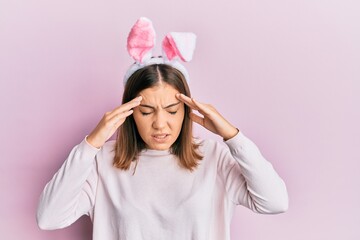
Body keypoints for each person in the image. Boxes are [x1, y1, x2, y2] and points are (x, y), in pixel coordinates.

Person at [36, 17, 288, 240]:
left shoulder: (214, 157)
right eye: (146, 112)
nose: (159, 123)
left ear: (186, 110)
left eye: (171, 110)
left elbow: (275, 202)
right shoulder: (103, 162)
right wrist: (90, 144)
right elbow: (49, 218)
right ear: (129, 112)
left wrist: (233, 137)